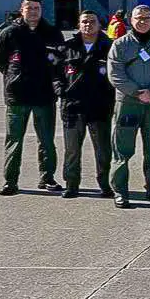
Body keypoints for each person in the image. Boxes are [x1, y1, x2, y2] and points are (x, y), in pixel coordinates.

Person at [0, 0, 65, 196]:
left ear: (41, 11)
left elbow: (60, 61)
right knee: (14, 140)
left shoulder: (52, 33)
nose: (33, 11)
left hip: (44, 96)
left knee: (47, 141)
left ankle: (47, 177)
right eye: (29, 8)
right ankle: (10, 181)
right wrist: (13, 78)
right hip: (18, 96)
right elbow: (0, 60)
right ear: (21, 10)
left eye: (36, 8)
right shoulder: (10, 33)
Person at [108, 5, 150, 208]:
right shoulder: (120, 45)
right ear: (131, 19)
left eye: (147, 18)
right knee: (122, 149)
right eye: (139, 18)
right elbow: (115, 74)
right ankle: (120, 191)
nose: (143, 21)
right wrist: (137, 92)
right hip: (128, 103)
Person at [54, 10, 114, 198]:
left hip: (100, 106)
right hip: (73, 106)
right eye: (84, 22)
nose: (88, 25)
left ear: (99, 24)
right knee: (72, 150)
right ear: (79, 25)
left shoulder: (110, 47)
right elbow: (55, 73)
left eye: (92, 21)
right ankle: (71, 184)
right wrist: (60, 89)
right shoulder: (67, 47)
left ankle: (105, 184)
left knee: (103, 150)